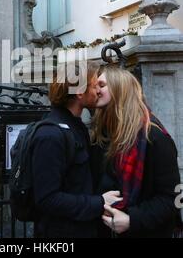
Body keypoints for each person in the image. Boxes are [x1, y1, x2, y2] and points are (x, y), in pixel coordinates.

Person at [31, 61, 122, 238]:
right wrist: (100, 202)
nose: (98, 91)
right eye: (95, 85)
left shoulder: (76, 127)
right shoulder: (50, 135)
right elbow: (47, 199)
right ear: (80, 92)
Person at [90, 66, 181, 238]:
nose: (95, 90)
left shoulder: (154, 138)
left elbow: (173, 198)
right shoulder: (102, 135)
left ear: (119, 89)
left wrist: (132, 219)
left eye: (101, 85)